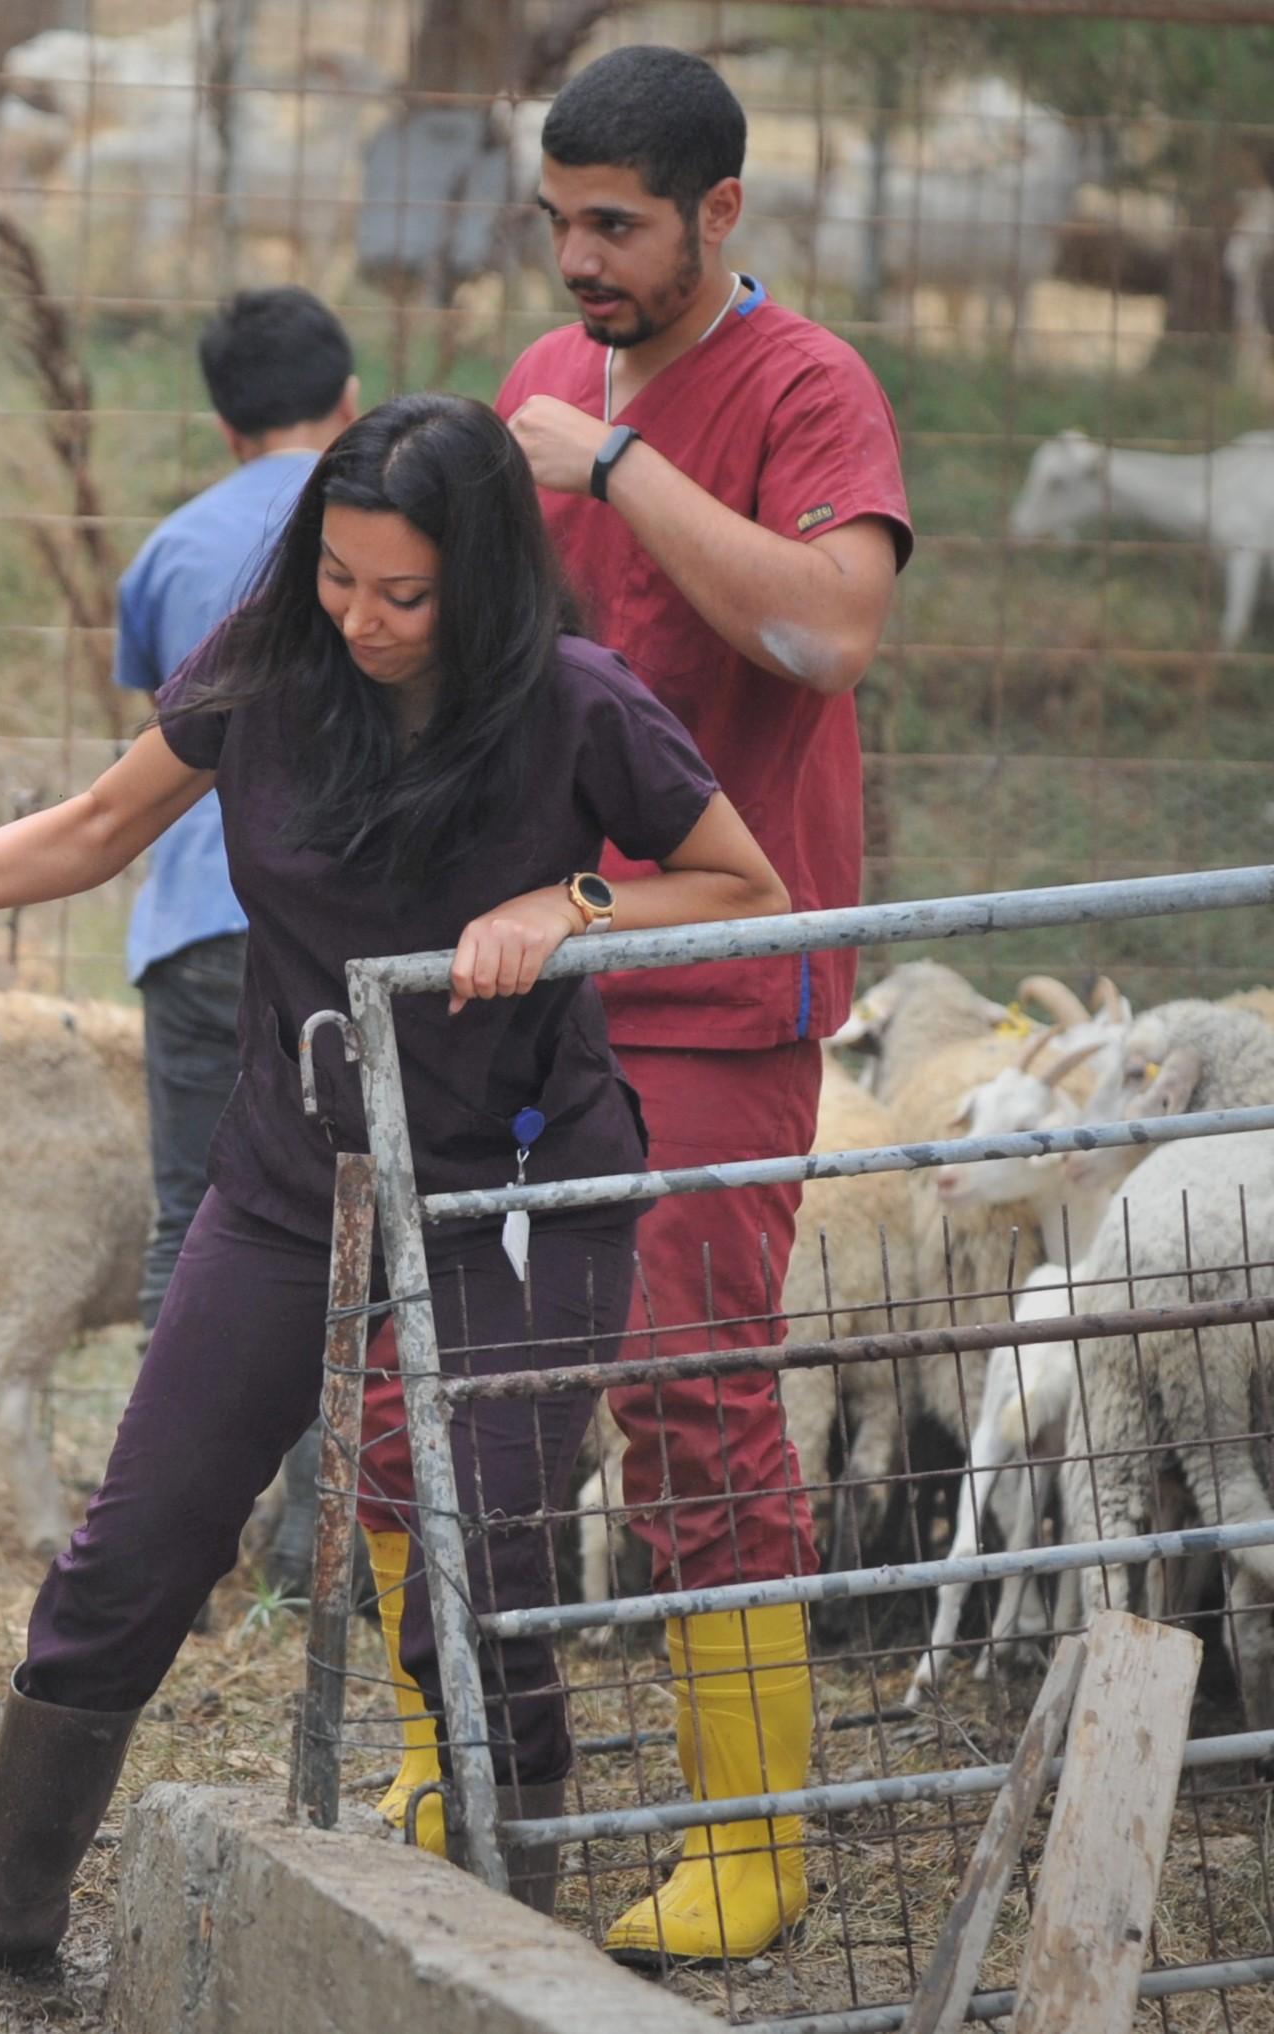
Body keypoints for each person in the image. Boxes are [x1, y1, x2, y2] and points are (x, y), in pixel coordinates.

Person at [0, 394, 790, 1992]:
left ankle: (504, 1928)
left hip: (512, 1185)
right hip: (297, 1170)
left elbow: (748, 882)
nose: (365, 620)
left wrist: (576, 895)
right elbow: (103, 824)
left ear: (481, 580)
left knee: (490, 1550)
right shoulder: (274, 664)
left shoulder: (574, 701)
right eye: (340, 577)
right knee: (139, 1537)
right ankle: (4, 1909)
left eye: (405, 595)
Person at [356, 47, 913, 1966]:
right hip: (514, 971)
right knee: (407, 1372)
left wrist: (614, 464)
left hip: (703, 967)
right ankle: (465, 1766)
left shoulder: (801, 389)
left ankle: (745, 1836)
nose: (579, 259)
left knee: (684, 1391)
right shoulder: (528, 377)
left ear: (718, 216)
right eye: (558, 222)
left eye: (617, 225)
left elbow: (826, 631)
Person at [111, 286, 355, 1591]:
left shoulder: (167, 552)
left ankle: (170, 1544)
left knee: (188, 1227)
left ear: (220, 425)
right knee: (344, 1229)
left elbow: (162, 738)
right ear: (352, 403)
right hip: (334, 945)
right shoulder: (389, 530)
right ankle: (325, 1551)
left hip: (193, 936)